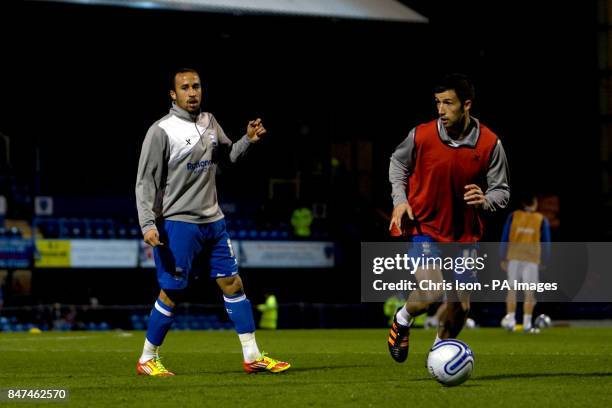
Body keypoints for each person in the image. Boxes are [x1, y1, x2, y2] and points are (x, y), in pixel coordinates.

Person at [135, 67, 290, 376]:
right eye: (185, 87)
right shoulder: (161, 131)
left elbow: (229, 157)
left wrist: (247, 140)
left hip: (214, 222)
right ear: (173, 94)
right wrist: (148, 224)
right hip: (178, 223)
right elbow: (144, 182)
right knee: (172, 292)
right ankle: (147, 358)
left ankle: (252, 356)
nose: (192, 92)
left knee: (233, 283)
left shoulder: (209, 122)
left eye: (196, 86)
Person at [387, 73, 510, 363]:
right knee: (431, 290)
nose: (441, 110)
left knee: (462, 308)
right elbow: (397, 164)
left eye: (448, 103)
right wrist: (400, 201)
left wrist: (486, 200)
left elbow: (501, 191)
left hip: (464, 234)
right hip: (425, 227)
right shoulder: (422, 135)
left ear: (466, 104)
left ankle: (439, 353)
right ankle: (403, 319)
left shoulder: (491, 143)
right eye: (437, 103)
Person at [500, 192, 551, 332]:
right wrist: (545, 260)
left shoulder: (513, 216)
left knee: (512, 290)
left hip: (514, 257)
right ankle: (527, 324)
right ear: (535, 203)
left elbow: (505, 238)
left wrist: (502, 257)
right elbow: (546, 242)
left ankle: (510, 321)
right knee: (529, 293)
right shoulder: (541, 219)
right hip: (531, 259)